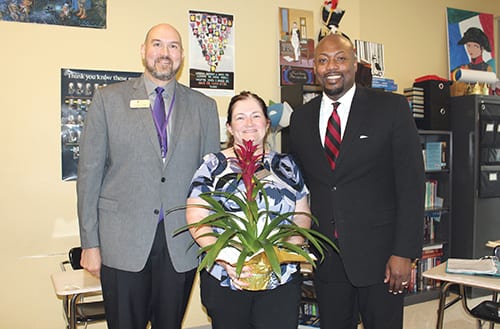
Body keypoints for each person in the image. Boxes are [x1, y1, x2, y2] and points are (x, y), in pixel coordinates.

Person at [76, 23, 220, 329]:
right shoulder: (107, 100)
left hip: (180, 243)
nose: (164, 53)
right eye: (157, 44)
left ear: (181, 55)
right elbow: (89, 174)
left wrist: (212, 240)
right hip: (121, 243)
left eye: (173, 46)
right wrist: (90, 243)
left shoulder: (204, 108)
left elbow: (209, 182)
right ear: (143, 51)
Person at [289, 33, 425, 329]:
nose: (332, 67)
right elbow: (296, 184)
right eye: (323, 60)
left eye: (340, 58)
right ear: (315, 68)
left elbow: (412, 184)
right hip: (328, 258)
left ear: (355, 64)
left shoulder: (391, 108)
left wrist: (404, 252)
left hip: (382, 257)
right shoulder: (300, 120)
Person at [185, 91, 311, 329]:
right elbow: (196, 216)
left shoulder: (285, 165)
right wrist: (224, 258)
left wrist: (283, 250)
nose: (249, 123)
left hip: (279, 277)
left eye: (256, 116)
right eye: (240, 117)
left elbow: (302, 216)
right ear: (230, 127)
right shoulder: (213, 165)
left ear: (266, 123)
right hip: (226, 278)